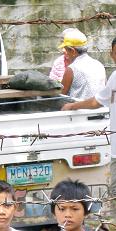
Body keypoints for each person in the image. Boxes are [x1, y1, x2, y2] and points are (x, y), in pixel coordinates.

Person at [61, 37, 116, 198]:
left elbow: (95, 101)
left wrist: (71, 106)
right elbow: (99, 100)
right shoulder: (106, 71)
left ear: (72, 50)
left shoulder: (72, 69)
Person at [59, 29, 106, 99]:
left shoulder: (72, 69)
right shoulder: (99, 64)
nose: (64, 51)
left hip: (80, 109)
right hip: (102, 108)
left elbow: (60, 95)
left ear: (73, 51)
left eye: (66, 49)